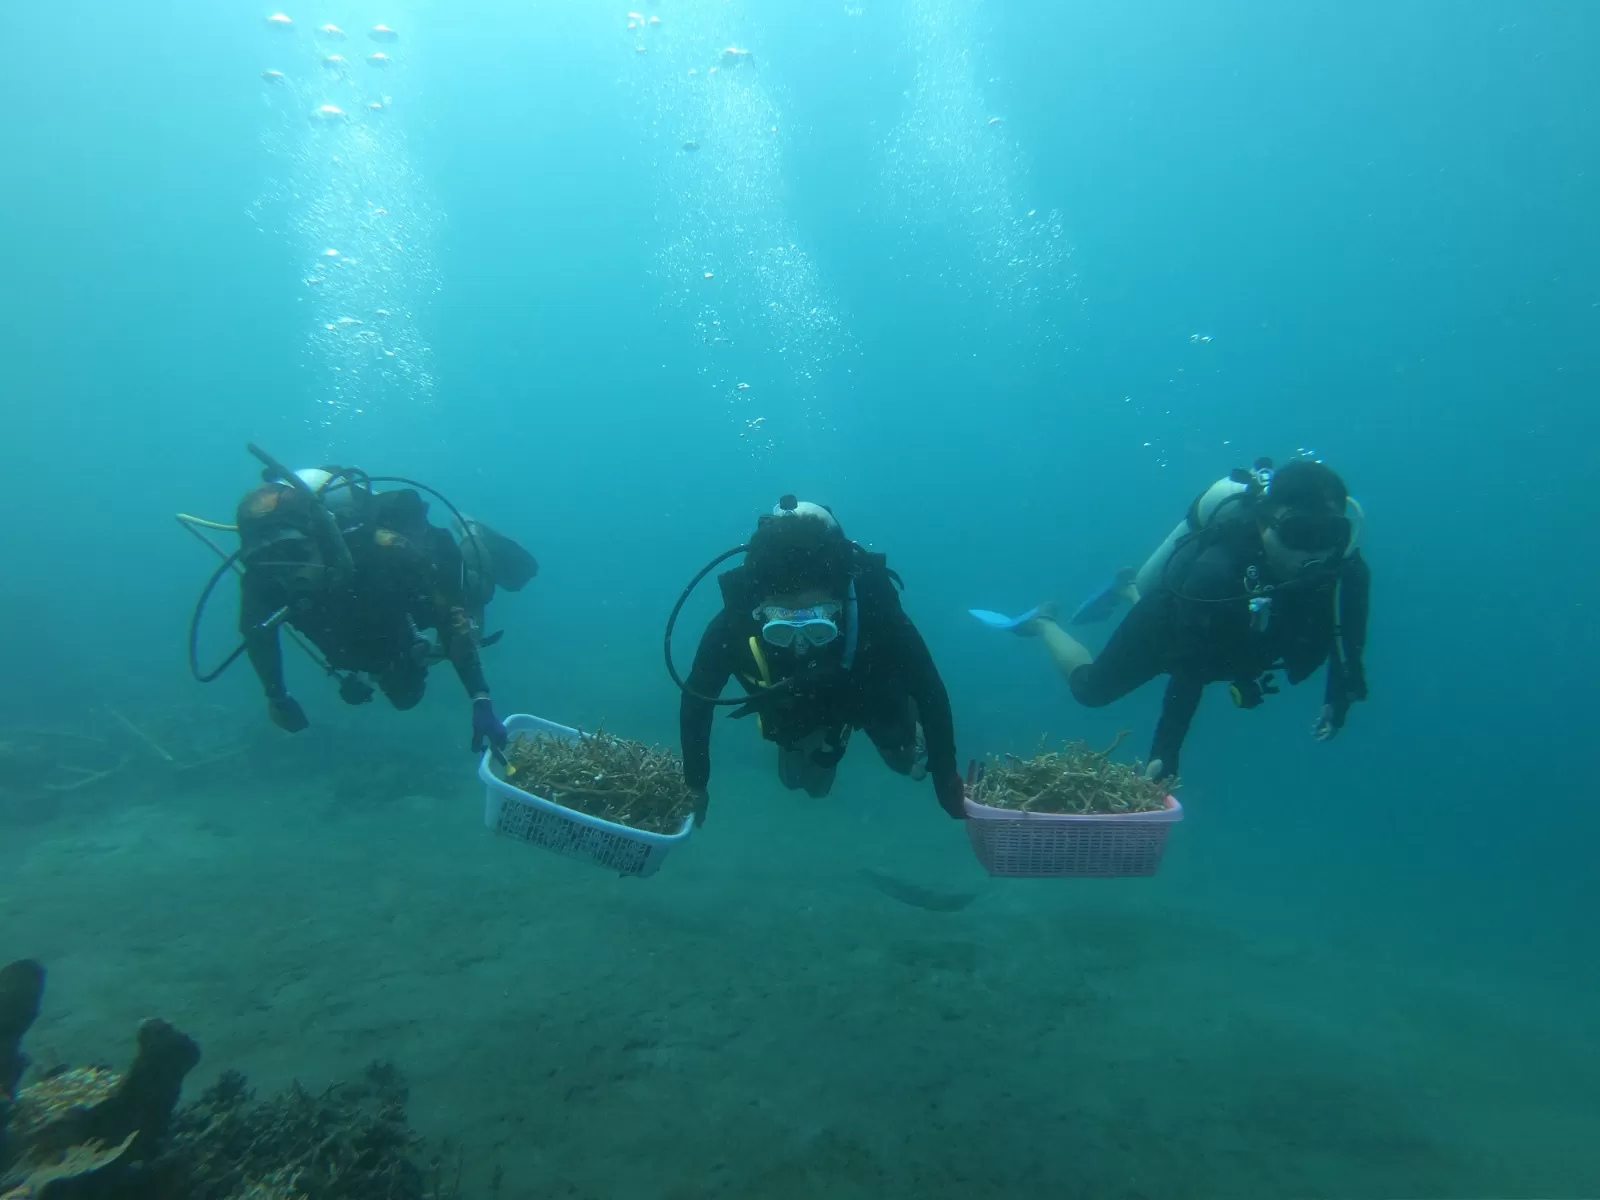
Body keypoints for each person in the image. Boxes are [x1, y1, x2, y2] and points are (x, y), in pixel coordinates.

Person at [972, 457, 1371, 781]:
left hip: (1235, 636)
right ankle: (1044, 621)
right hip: (1177, 617)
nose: (1312, 554)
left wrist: (1340, 697)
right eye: (1299, 534)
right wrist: (1166, 754)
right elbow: (1190, 668)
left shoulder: (1344, 567)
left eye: (1329, 534)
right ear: (1264, 522)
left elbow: (1347, 634)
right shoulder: (1218, 571)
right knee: (1091, 692)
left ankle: (1127, 587)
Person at [676, 496, 967, 823]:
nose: (801, 645)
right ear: (760, 604)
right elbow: (698, 695)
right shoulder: (738, 618)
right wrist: (696, 782)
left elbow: (927, 684)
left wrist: (945, 772)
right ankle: (824, 736)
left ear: (840, 599)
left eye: (818, 626)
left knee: (906, 762)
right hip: (793, 702)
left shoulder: (873, 606)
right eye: (782, 628)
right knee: (803, 784)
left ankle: (903, 731)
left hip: (867, 687)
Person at [232, 463, 536, 755]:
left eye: (296, 555)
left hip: (412, 585)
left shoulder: (386, 549)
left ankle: (472, 535)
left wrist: (479, 697)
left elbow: (447, 614)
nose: (290, 576)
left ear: (322, 539)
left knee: (473, 598)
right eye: (271, 565)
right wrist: (277, 697)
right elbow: (257, 634)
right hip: (363, 611)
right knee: (405, 697)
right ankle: (411, 654)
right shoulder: (264, 581)